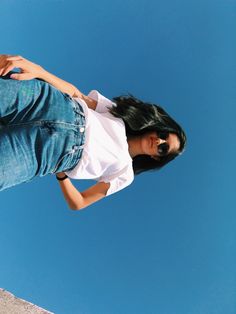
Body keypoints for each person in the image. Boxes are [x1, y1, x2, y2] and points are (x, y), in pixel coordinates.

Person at [0, 54, 186, 210]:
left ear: (156, 157)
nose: (159, 142)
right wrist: (40, 71)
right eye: (163, 136)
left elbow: (79, 202)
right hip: (49, 104)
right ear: (157, 128)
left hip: (44, 153)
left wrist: (61, 174)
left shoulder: (125, 174)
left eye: (164, 149)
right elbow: (77, 95)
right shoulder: (121, 117)